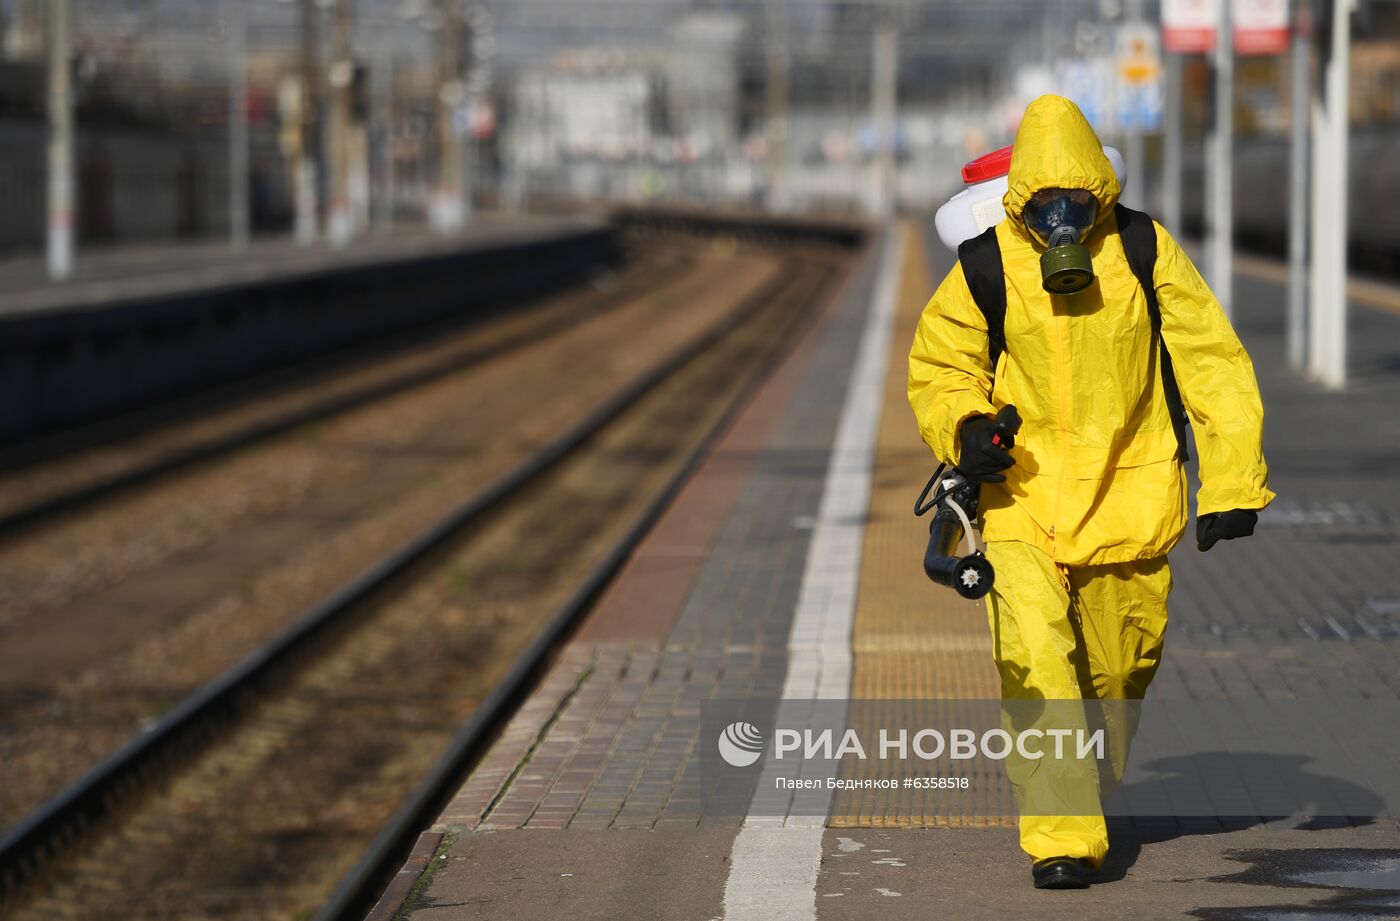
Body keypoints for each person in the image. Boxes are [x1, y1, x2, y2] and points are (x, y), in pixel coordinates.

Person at [907, 95, 1274, 890]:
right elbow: (943, 368)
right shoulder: (985, 264)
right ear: (1020, 200)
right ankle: (1062, 837)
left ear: (1101, 193)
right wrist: (966, 427)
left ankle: (1082, 784)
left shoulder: (1143, 248)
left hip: (1129, 502)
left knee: (1116, 676)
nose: (1060, 218)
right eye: (1043, 204)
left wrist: (1233, 482)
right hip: (1023, 503)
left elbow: (1212, 361)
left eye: (1075, 201)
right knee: (1036, 659)